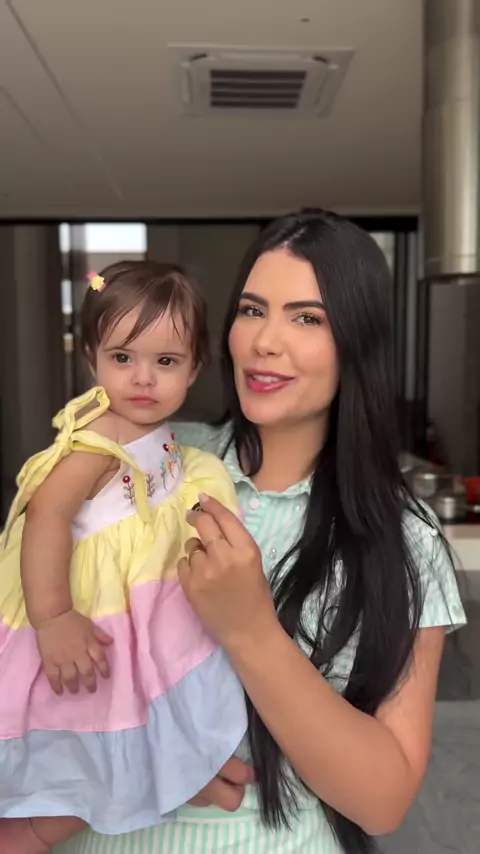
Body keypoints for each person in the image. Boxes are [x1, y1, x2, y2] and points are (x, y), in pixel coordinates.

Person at [54, 209, 466, 854]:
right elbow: (31, 628)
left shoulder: (405, 537)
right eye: (252, 310)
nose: (264, 341)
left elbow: (382, 801)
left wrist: (250, 630)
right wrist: (142, 750)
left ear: (358, 342)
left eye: (307, 318)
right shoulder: (150, 458)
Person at [0, 261, 247, 853]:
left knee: (152, 707)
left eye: (166, 361)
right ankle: (28, 834)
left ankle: (191, 772)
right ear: (92, 359)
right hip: (84, 613)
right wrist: (54, 619)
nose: (143, 378)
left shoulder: (163, 437)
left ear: (195, 367)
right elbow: (45, 516)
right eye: (122, 357)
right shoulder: (96, 441)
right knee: (90, 738)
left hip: (134, 603)